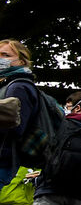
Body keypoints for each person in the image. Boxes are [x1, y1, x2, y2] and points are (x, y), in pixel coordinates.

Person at [0, 40, 47, 191]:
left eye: (5, 55)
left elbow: (16, 127)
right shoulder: (8, 85)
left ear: (21, 61)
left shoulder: (18, 87)